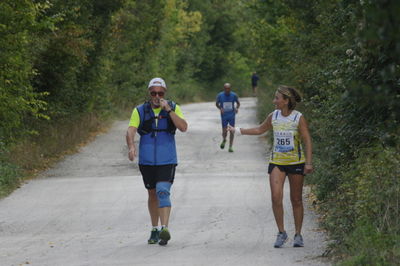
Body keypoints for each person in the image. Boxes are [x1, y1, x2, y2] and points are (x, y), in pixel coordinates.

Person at [228, 85, 313, 248]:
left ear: (286, 101)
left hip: (296, 162)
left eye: (277, 98)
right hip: (277, 162)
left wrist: (308, 162)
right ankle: (281, 233)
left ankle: (298, 234)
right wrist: (237, 130)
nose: (274, 101)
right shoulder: (273, 116)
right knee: (275, 197)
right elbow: (260, 129)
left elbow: (307, 139)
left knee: (296, 200)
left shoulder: (298, 118)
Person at [126, 77, 188, 246]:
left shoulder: (174, 108)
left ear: (164, 93)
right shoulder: (139, 110)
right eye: (153, 93)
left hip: (167, 159)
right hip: (146, 161)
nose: (156, 96)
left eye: (160, 93)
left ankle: (164, 229)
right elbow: (131, 130)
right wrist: (131, 146)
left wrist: (168, 110)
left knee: (162, 191)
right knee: (152, 194)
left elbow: (183, 127)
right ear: (149, 93)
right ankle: (154, 228)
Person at [215, 83, 240, 152]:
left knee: (232, 131)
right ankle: (224, 139)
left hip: (232, 115)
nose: (227, 90)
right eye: (226, 89)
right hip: (224, 115)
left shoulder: (234, 95)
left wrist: (236, 108)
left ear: (230, 89)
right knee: (224, 130)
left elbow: (238, 103)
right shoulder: (220, 95)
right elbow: (217, 104)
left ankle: (230, 146)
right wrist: (220, 108)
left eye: (228, 88)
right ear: (224, 89)